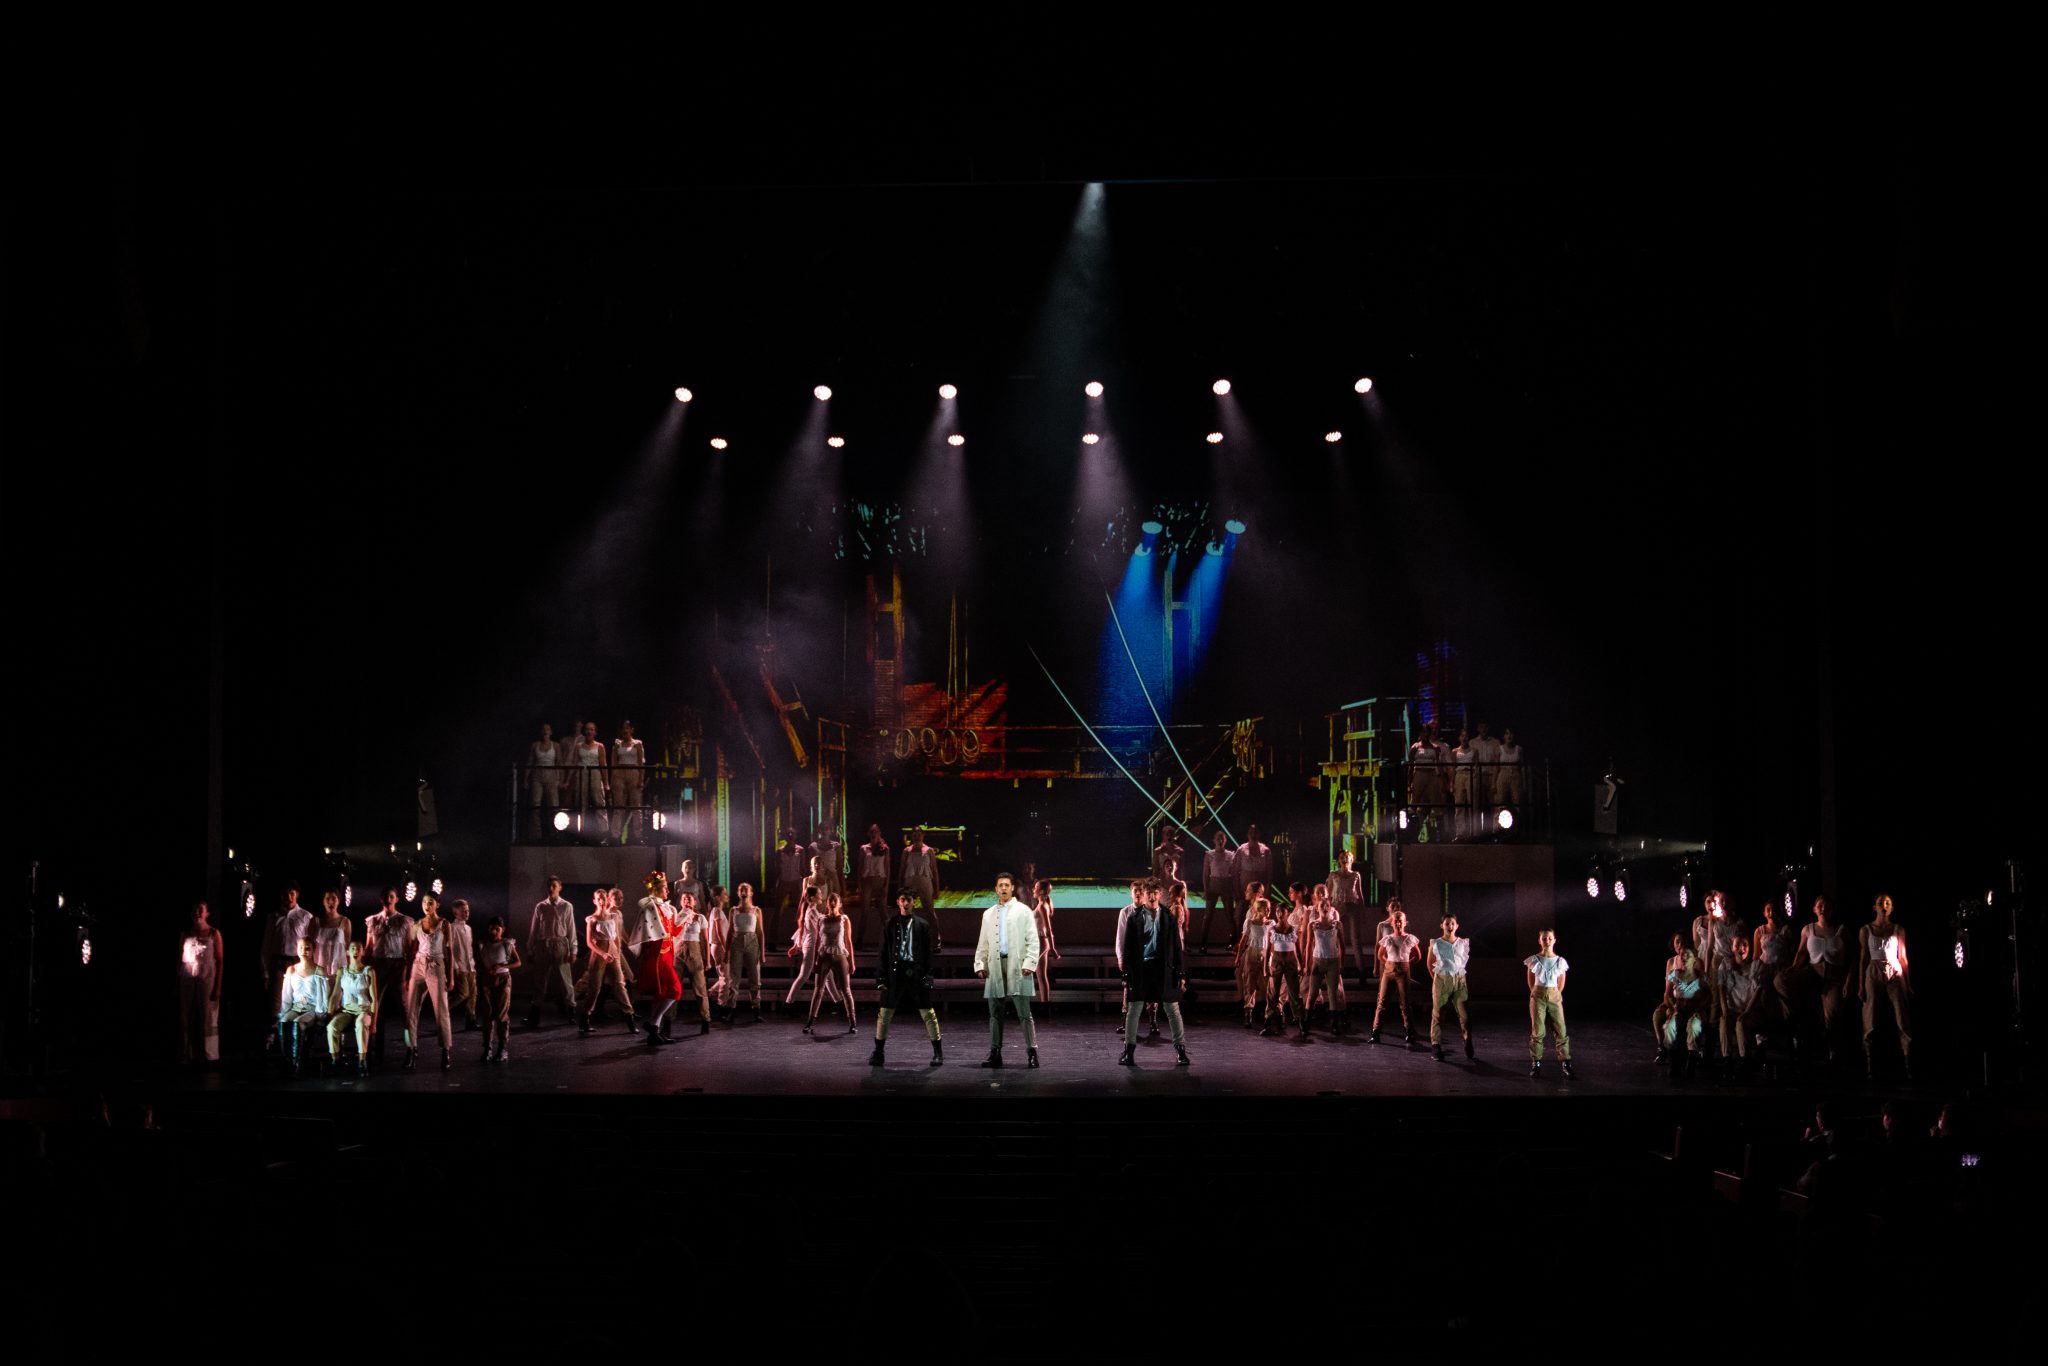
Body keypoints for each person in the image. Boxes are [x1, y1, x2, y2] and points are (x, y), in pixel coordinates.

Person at [1118, 877, 1190, 1067]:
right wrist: (1126, 973)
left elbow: (1176, 947)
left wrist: (1181, 973)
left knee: (1173, 1009)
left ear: (1159, 894)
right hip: (1141, 970)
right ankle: (1128, 1051)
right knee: (1134, 1009)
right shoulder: (1134, 918)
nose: (1151, 896)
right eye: (1148, 893)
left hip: (1163, 970)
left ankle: (1181, 1051)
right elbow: (1128, 948)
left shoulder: (1168, 917)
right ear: (1144, 895)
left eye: (1154, 893)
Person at [973, 874, 1041, 1068]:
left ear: (1012, 888)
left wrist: (1029, 962)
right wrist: (980, 964)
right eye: (1000, 885)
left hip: (1017, 965)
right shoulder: (988, 914)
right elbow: (983, 942)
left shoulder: (1023, 911)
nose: (1003, 888)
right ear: (996, 889)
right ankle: (995, 1053)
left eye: (1006, 885)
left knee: (1024, 1013)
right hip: (996, 966)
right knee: (995, 1013)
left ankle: (1032, 1053)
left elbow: (1033, 939)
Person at [1775, 895, 1851, 1064]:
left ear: (1832, 910)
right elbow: (1802, 952)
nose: (1823, 908)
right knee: (1780, 980)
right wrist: (1794, 968)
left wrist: (1849, 980)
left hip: (1833, 978)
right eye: (1820, 905)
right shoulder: (1808, 929)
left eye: (1827, 906)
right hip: (1812, 973)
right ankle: (1792, 1018)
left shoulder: (1841, 930)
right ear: (1814, 909)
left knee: (1831, 1014)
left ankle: (1833, 1052)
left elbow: (1851, 958)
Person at [870, 892, 941, 1066]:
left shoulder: (922, 925)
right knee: (884, 1013)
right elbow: (883, 952)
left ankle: (938, 1053)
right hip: (896, 972)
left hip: (916, 972)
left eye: (908, 900)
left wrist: (928, 976)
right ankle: (878, 1052)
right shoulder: (890, 924)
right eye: (902, 900)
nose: (905, 903)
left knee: (928, 1013)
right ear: (898, 902)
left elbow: (928, 954)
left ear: (913, 902)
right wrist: (881, 977)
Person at [1858, 894, 1913, 1081]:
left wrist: (1908, 984)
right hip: (1874, 968)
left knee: (1901, 1015)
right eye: (1881, 903)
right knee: (1870, 1015)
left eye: (1887, 903)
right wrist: (1861, 985)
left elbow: (1903, 957)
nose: (1884, 906)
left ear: (1892, 908)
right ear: (1875, 907)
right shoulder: (1866, 929)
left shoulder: (1898, 929)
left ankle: (1907, 1060)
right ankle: (1869, 1062)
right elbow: (1863, 957)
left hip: (1894, 969)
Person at [363, 888, 418, 1063]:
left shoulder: (404, 921)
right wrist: (361, 967)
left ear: (397, 899)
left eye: (392, 896)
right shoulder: (373, 920)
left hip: (397, 965)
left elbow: (409, 948)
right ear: (382, 900)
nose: (389, 899)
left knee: (404, 1007)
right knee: (373, 1005)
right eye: (386, 896)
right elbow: (369, 947)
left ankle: (411, 1047)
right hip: (378, 964)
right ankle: (369, 1048)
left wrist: (408, 972)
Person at [259, 885, 315, 1055]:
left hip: (297, 961)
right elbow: (266, 945)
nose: (289, 897)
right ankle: (274, 1040)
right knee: (276, 1002)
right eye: (286, 893)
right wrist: (265, 971)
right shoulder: (274, 916)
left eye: (292, 893)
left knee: (299, 999)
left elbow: (311, 943)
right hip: (278, 961)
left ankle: (299, 1038)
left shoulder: (305, 916)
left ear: (297, 895)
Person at [403, 894, 456, 1070]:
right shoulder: (417, 924)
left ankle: (445, 1050)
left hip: (436, 965)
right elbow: (411, 951)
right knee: (410, 1011)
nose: (427, 905)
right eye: (424, 902)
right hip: (418, 965)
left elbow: (450, 951)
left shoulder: (444, 924)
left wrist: (451, 976)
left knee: (441, 1010)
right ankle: (410, 1049)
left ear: (437, 904)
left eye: (430, 902)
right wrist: (407, 975)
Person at [577, 887, 638, 1034]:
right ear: (594, 901)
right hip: (599, 952)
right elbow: (589, 942)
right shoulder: (592, 919)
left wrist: (616, 953)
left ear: (607, 900)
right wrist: (603, 954)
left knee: (620, 984)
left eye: (603, 898)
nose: (602, 901)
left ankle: (629, 1017)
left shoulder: (613, 916)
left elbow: (616, 937)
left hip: (613, 951)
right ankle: (585, 1017)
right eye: (599, 899)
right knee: (595, 987)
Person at [635, 874, 683, 1048]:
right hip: (657, 955)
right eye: (664, 887)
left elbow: (672, 932)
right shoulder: (650, 907)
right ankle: (653, 1023)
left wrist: (685, 920)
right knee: (675, 990)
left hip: (667, 954)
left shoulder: (667, 908)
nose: (668, 890)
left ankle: (653, 1032)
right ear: (655, 889)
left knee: (660, 994)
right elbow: (646, 931)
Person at [525, 876, 579, 1026]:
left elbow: (571, 929)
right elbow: (534, 930)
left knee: (566, 981)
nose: (550, 888)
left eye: (554, 885)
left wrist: (573, 950)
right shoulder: (541, 906)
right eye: (549, 885)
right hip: (543, 945)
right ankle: (535, 1014)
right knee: (539, 981)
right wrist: (530, 950)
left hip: (560, 944)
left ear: (560, 887)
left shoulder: (566, 906)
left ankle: (571, 1011)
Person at [277, 940, 336, 1077]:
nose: (304, 951)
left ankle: (297, 1063)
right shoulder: (292, 969)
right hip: (296, 1007)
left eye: (307, 948)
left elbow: (322, 997)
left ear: (313, 950)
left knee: (298, 1022)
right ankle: (287, 1062)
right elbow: (287, 996)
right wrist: (284, 1012)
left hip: (311, 1009)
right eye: (301, 947)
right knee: (284, 1021)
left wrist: (321, 1016)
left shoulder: (319, 970)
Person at [177, 902, 224, 1067]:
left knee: (209, 1016)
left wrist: (218, 986)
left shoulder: (213, 933)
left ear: (207, 913)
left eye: (200, 910)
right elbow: (179, 959)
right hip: (187, 978)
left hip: (207, 979)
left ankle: (210, 1055)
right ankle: (186, 1053)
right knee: (185, 1017)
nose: (197, 913)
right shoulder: (186, 934)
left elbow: (220, 960)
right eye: (194, 910)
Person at [1652, 932, 1707, 1071]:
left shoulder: (1696, 966)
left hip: (1693, 1005)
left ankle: (1691, 1057)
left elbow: (1706, 991)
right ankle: (1665, 1050)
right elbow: (1667, 992)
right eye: (1677, 942)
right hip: (1676, 1003)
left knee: (1692, 1023)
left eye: (1683, 942)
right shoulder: (1673, 967)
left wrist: (1699, 1006)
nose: (1680, 945)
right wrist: (1671, 1006)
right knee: (1662, 1017)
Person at [805, 894, 857, 1035]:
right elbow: (818, 941)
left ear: (840, 904)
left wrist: (852, 961)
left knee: (846, 990)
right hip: (824, 955)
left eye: (835, 900)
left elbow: (848, 941)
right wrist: (816, 959)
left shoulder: (844, 919)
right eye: (830, 900)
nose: (833, 902)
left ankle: (853, 1022)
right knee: (818, 990)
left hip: (840, 954)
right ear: (827, 904)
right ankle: (810, 1022)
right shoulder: (821, 919)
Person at [1300, 884, 1347, 1037]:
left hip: (1332, 960)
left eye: (1327, 905)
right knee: (1311, 992)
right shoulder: (1312, 921)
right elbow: (1307, 943)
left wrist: (1341, 963)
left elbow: (1341, 944)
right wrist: (1306, 963)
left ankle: (1335, 1022)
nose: (1324, 907)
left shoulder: (1336, 921)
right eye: (1322, 905)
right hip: (1317, 959)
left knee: (1334, 993)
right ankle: (1306, 1022)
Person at [1525, 929, 1573, 1079]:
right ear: (1540, 941)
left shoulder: (1560, 961)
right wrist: (1535, 992)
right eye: (1544, 938)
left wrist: (1556, 993)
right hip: (1538, 995)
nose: (1547, 941)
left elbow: (1561, 980)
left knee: (1560, 1029)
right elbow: (1530, 978)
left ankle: (1566, 1062)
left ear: (1554, 940)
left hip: (1554, 995)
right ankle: (1536, 1063)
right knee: (1538, 1030)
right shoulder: (1534, 959)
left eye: (1550, 938)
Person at [666, 890, 714, 1036]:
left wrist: (708, 960)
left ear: (695, 902)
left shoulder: (700, 918)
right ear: (681, 902)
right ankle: (667, 1022)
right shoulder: (676, 916)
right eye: (684, 899)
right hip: (679, 953)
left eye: (689, 899)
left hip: (694, 952)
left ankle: (705, 1020)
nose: (687, 901)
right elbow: (671, 936)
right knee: (673, 989)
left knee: (700, 989)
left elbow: (705, 940)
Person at [1371, 901, 1420, 1045]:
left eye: (1400, 921)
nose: (1398, 923)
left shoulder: (1409, 938)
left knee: (1405, 1003)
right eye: (1396, 921)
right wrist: (1388, 962)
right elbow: (1380, 954)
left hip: (1403, 971)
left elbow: (1418, 956)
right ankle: (1375, 1032)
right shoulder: (1388, 938)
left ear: (1404, 923)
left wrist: (1406, 963)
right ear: (1392, 923)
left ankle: (1409, 1031)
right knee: (1382, 1002)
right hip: (1389, 971)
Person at [326, 941, 378, 1074]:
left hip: (363, 1009)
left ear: (362, 952)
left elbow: (374, 999)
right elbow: (335, 995)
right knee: (331, 1027)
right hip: (347, 1010)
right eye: (352, 948)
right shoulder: (342, 971)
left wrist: (374, 1023)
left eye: (358, 949)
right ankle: (335, 1060)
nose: (355, 951)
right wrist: (330, 1013)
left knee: (360, 1023)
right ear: (347, 952)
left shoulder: (368, 971)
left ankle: (362, 1061)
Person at [1428, 912, 1473, 1061]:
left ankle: (1467, 1039)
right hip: (1442, 979)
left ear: (1457, 926)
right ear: (1442, 926)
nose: (1450, 926)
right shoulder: (1436, 943)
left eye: (1452, 923)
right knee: (1438, 1014)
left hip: (1459, 980)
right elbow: (1430, 963)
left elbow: (1462, 962)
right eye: (1447, 923)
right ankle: (1436, 1045)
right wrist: (1438, 980)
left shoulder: (1462, 943)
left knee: (1464, 1015)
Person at [476, 916, 521, 1062]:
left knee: (501, 1014)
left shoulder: (507, 944)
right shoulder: (483, 945)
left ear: (503, 930)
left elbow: (518, 962)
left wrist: (502, 966)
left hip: (503, 980)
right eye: (492, 928)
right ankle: (487, 1047)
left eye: (497, 929)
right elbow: (478, 963)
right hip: (487, 980)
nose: (494, 931)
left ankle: (502, 1048)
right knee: (487, 1014)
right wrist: (486, 970)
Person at [723, 882, 766, 1023]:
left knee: (754, 978)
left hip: (752, 941)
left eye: (746, 890)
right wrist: (726, 951)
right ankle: (731, 1009)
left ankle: (756, 1009)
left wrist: (762, 953)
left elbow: (760, 932)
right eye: (741, 890)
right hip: (737, 941)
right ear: (738, 893)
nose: (743, 892)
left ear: (751, 893)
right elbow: (730, 931)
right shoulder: (733, 910)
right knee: (734, 978)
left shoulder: (756, 910)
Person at [1112, 879, 1150, 1037]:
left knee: (1149, 988)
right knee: (1128, 990)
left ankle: (1153, 1021)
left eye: (1141, 891)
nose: (1138, 894)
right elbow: (1120, 937)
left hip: (1147, 958)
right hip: (1131, 958)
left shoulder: (1151, 912)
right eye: (1136, 891)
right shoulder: (1125, 912)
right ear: (1131, 893)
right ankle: (1125, 1021)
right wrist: (1121, 958)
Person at [1264, 898, 1302, 1033]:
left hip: (1291, 962)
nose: (1279, 914)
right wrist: (1265, 967)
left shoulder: (1293, 930)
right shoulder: (1272, 930)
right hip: (1276, 962)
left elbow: (1298, 949)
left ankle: (1301, 1023)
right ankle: (1268, 1023)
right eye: (1277, 911)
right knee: (1273, 993)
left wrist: (1302, 965)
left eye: (1282, 911)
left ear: (1287, 913)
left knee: (1294, 993)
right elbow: (1267, 950)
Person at [1237, 896, 1273, 1032]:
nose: (1268, 911)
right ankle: (1248, 1013)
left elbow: (1272, 942)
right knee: (1249, 984)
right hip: (1252, 952)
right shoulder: (1250, 922)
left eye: (1269, 909)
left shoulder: (1270, 923)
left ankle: (1270, 1014)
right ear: (1259, 910)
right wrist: (1238, 957)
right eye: (1265, 909)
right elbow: (1243, 940)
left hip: (1265, 954)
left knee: (1268, 985)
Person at [1200, 830, 1239, 950]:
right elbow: (1205, 874)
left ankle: (1233, 943)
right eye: (1218, 838)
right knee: (1208, 916)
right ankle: (1203, 944)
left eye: (1222, 838)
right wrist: (1206, 889)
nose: (1220, 840)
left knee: (1230, 915)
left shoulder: (1231, 854)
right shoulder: (1209, 854)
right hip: (1213, 885)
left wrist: (1235, 890)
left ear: (1225, 840)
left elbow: (1234, 874)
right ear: (1214, 840)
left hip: (1226, 886)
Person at [854, 824, 891, 948]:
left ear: (879, 833)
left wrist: (886, 886)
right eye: (872, 831)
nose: (874, 833)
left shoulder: (885, 848)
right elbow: (860, 867)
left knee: (883, 911)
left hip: (880, 880)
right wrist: (859, 884)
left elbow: (887, 868)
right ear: (869, 834)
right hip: (867, 881)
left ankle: (892, 938)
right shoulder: (864, 848)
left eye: (876, 831)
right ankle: (860, 939)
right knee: (864, 911)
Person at [1325, 849, 1365, 959]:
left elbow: (1359, 893)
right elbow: (1328, 894)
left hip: (1352, 907)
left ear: (1351, 859)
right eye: (1342, 857)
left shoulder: (1355, 875)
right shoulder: (1333, 874)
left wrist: (1362, 910)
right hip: (1336, 907)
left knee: (1355, 938)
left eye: (1347, 857)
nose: (1344, 859)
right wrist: (1327, 911)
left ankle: (1360, 966)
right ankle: (1336, 964)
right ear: (1339, 860)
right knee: (1335, 936)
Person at [771, 828, 808, 943]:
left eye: (793, 833)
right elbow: (777, 869)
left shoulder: (800, 850)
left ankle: (802, 941)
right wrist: (775, 885)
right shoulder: (779, 851)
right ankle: (772, 941)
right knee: (777, 911)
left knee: (801, 911)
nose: (791, 835)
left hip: (796, 882)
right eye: (789, 834)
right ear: (785, 836)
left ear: (796, 835)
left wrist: (805, 885)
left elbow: (803, 868)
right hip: (784, 881)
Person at [611, 720, 646, 843]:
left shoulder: (637, 744)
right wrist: (612, 779)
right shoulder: (617, 744)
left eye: (627, 728)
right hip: (620, 773)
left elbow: (641, 763)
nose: (625, 730)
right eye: (623, 728)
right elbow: (613, 763)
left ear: (631, 730)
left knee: (636, 805)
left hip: (633, 773)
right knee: (618, 805)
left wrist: (641, 779)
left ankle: (638, 835)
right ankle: (615, 835)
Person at [573, 721, 610, 833]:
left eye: (592, 729)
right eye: (587, 729)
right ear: (584, 731)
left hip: (595, 774)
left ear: (595, 732)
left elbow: (603, 765)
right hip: (582, 774)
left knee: (599, 802)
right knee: (581, 802)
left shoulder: (600, 746)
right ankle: (581, 830)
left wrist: (606, 783)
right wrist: (570, 780)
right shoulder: (579, 746)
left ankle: (604, 831)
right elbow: (575, 763)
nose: (589, 732)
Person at [527, 722, 563, 837]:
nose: (545, 731)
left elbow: (559, 763)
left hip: (551, 775)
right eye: (543, 729)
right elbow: (530, 761)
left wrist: (560, 780)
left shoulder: (556, 745)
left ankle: (554, 833)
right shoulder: (535, 745)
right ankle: (536, 834)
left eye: (547, 729)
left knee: (553, 805)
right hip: (537, 775)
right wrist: (525, 778)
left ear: (551, 732)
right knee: (535, 804)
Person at [447, 899, 478, 1032]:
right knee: (463, 993)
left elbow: (469, 949)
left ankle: (471, 1020)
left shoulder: (468, 928)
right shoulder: (452, 928)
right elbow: (450, 949)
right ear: (456, 913)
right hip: (461, 966)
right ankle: (443, 1008)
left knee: (473, 994)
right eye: (463, 911)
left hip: (470, 965)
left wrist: (473, 964)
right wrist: (456, 967)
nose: (466, 913)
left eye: (467, 911)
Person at [309, 889, 351, 978]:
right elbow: (310, 945)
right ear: (323, 902)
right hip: (319, 965)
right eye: (327, 899)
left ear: (338, 901)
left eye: (334, 899)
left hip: (339, 966)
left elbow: (347, 946)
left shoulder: (345, 922)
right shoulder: (315, 921)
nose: (331, 902)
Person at [900, 827, 939, 921]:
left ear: (923, 835)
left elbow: (934, 870)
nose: (917, 837)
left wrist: (936, 888)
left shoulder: (929, 850)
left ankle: (935, 930)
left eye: (919, 835)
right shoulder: (906, 851)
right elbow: (902, 870)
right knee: (907, 911)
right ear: (911, 836)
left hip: (925, 883)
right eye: (915, 835)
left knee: (929, 910)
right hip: (910, 883)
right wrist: (900, 887)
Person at [1031, 879, 1059, 1008]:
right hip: (1040, 942)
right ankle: (1045, 1005)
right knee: (1041, 976)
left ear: (1042, 891)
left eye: (1036, 887)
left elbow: (1048, 928)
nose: (1033, 889)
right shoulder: (1041, 904)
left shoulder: (1043, 906)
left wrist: (1053, 949)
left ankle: (1044, 1005)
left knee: (1037, 974)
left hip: (1041, 942)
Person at [1234, 826, 1273, 915]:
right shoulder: (1241, 850)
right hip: (1244, 890)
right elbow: (1235, 872)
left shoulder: (1266, 850)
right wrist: (1237, 890)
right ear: (1247, 835)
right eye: (1251, 833)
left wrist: (1267, 889)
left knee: (1260, 914)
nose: (1253, 835)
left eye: (1255, 833)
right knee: (1241, 914)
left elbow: (1269, 873)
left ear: (1259, 835)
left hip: (1260, 891)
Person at [1449, 727, 1476, 838]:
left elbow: (1476, 766)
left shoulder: (1474, 750)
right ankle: (1460, 832)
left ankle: (1473, 831)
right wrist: (1451, 783)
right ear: (1459, 738)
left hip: (1471, 774)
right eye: (1462, 736)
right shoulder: (1455, 751)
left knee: (1472, 803)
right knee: (1459, 804)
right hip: (1459, 775)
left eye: (1466, 736)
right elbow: (1453, 768)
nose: (1464, 738)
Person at [1493, 727, 1525, 813]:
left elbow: (1522, 767)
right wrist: (1493, 783)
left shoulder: (1519, 749)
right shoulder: (1499, 749)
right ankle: (1500, 819)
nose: (1509, 736)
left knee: (1517, 800)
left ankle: (1517, 819)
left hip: (1515, 775)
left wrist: (1524, 782)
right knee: (1501, 800)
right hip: (1503, 774)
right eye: (1507, 733)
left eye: (1511, 733)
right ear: (1503, 736)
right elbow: (1496, 767)